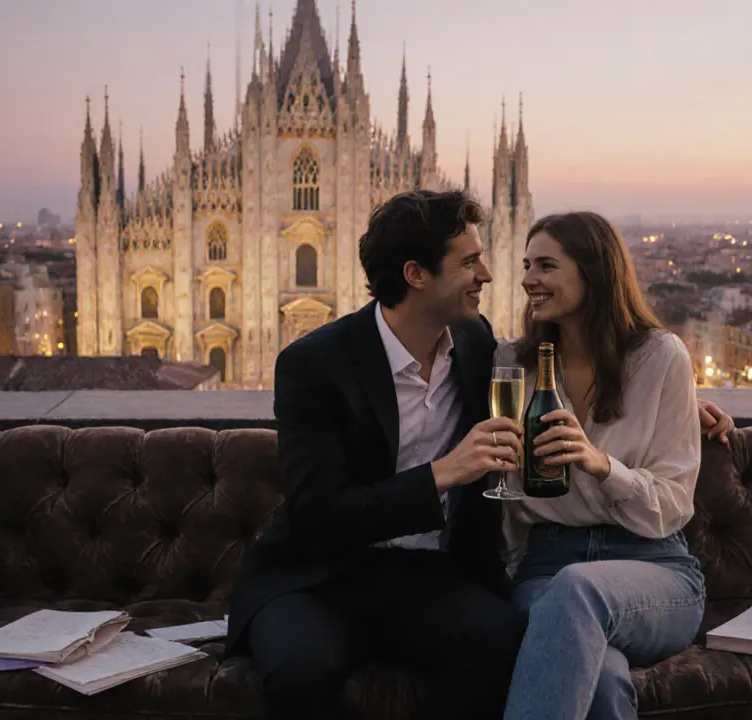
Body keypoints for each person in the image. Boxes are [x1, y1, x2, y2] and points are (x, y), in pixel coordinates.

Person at [224, 189, 528, 720]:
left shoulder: (475, 341)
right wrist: (443, 473)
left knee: (501, 639)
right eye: (470, 262)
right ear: (416, 275)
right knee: (301, 672)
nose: (486, 275)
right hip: (318, 579)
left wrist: (684, 404)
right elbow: (319, 515)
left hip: (429, 577)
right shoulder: (314, 365)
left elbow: (561, 366)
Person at [496, 211, 711, 720]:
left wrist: (601, 465)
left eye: (546, 265)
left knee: (579, 589)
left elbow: (673, 506)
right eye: (527, 264)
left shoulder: (661, 358)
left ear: (594, 272)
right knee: (604, 680)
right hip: (546, 569)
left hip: (654, 569)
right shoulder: (511, 364)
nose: (528, 279)